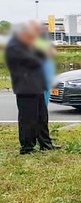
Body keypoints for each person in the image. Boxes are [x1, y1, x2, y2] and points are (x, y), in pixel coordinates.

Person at [5, 23, 55, 154]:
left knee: (41, 117)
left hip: (37, 86)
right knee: (28, 119)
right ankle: (27, 147)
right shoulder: (14, 46)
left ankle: (46, 144)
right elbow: (34, 61)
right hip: (26, 88)